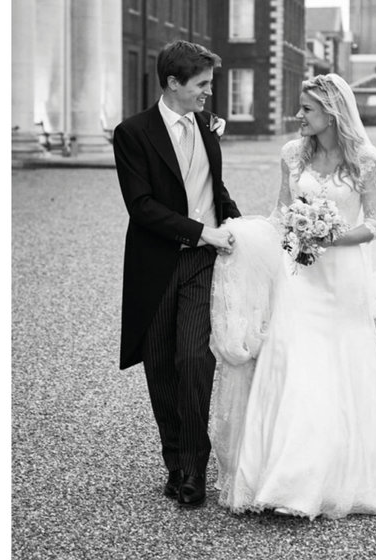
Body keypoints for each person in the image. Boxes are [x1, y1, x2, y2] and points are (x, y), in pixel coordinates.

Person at [209, 73, 376, 519]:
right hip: (297, 275)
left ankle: (333, 475)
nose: (300, 115)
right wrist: (248, 236)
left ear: (332, 112)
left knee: (342, 364)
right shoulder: (292, 155)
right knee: (290, 358)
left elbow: (375, 223)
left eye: (308, 109)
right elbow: (280, 213)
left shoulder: (365, 160)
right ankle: (281, 476)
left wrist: (332, 236)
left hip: (341, 281)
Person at [112, 40, 241, 509]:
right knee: (162, 366)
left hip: (203, 263)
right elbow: (141, 207)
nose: (209, 93)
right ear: (173, 83)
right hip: (157, 263)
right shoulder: (132, 133)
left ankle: (195, 467)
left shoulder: (208, 127)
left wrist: (239, 228)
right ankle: (176, 465)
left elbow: (214, 187)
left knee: (194, 359)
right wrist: (200, 232)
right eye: (202, 84)